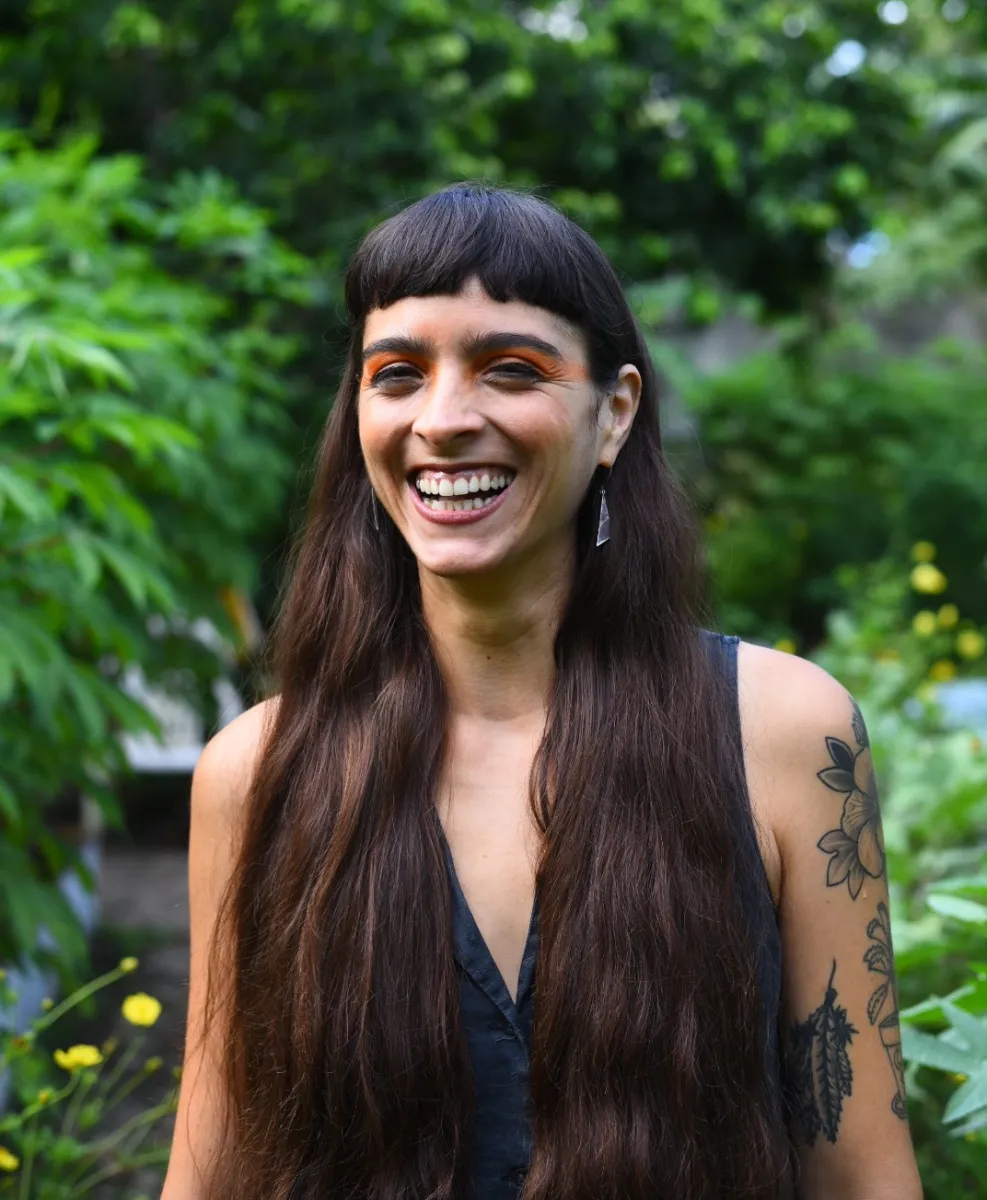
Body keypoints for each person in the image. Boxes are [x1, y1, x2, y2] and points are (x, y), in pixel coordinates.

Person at [160, 185, 924, 1200]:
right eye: (397, 375)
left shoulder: (783, 736)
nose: (443, 418)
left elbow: (863, 1177)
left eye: (509, 369)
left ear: (614, 414)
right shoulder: (256, 773)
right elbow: (212, 1174)